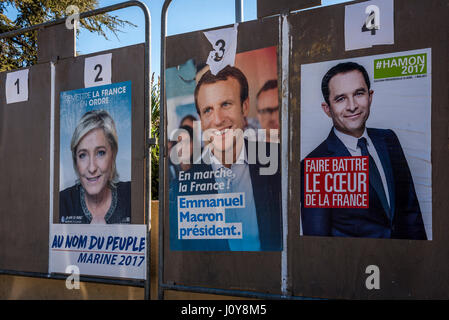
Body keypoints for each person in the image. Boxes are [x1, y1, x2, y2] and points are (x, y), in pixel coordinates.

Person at [300, 62, 427, 239]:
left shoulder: (388, 139)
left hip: (404, 262)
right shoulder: (315, 164)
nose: (352, 106)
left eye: (359, 93)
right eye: (341, 98)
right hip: (355, 265)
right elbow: (318, 242)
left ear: (370, 96)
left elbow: (411, 213)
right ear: (327, 109)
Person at [170, 65, 282, 251]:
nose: (218, 120)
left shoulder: (278, 162)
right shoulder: (182, 187)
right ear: (200, 118)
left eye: (226, 104)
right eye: (208, 110)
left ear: (244, 107)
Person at [60, 110, 131, 224]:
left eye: (100, 153)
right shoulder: (62, 202)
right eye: (82, 155)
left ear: (113, 154)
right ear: (75, 160)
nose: (92, 168)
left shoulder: (131, 195)